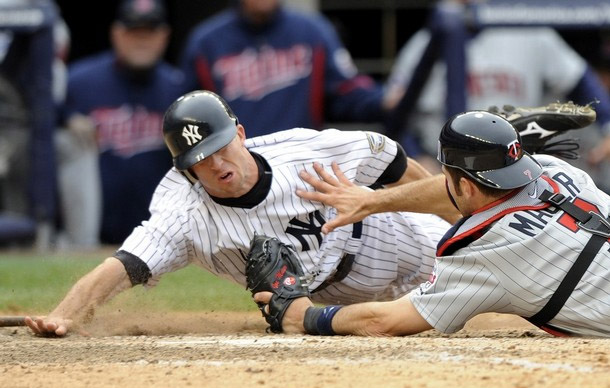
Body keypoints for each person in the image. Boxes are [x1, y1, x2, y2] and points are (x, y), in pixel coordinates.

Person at [25, 89, 453, 337]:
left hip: (400, 239)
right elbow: (123, 265)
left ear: (241, 135)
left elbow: (395, 165)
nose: (215, 164)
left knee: (495, 265)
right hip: (328, 301)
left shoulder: (306, 152)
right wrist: (64, 315)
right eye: (199, 159)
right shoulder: (184, 213)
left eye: (220, 147)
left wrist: (460, 222)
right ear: (185, 169)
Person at [255, 109, 610, 338]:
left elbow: (385, 321)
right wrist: (372, 200)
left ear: (466, 184)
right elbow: (470, 196)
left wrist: (306, 317)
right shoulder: (558, 170)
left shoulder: (480, 252)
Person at [385, 0, 610, 174]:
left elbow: (580, 80)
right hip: (451, 173)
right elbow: (396, 116)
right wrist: (416, 159)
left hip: (520, 166)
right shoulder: (422, 44)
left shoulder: (527, 30)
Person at [58, 0, 184, 247]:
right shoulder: (78, 83)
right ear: (116, 33)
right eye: (133, 32)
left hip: (160, 238)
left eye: (149, 32)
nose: (141, 40)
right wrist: (65, 119)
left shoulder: (179, 88)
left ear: (164, 36)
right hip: (90, 235)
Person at [179, 0, 385, 137]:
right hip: (234, 171)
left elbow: (347, 91)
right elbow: (187, 119)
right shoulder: (205, 43)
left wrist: (386, 99)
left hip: (302, 165)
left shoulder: (312, 31)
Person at [0, 0, 58, 248]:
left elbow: (42, 95)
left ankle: (73, 242)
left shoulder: (40, 9)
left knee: (24, 147)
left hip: (14, 123)